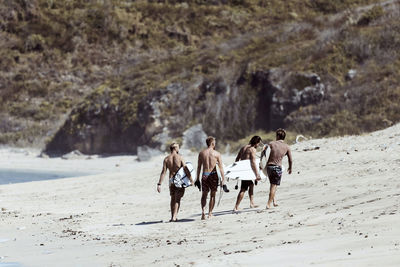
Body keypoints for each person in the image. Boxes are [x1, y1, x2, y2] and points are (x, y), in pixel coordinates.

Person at [157, 143, 193, 222]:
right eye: (178, 147)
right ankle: (174, 217)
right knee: (177, 199)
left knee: (172, 198)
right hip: (179, 180)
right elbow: (185, 169)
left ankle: (172, 216)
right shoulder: (180, 158)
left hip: (171, 180)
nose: (178, 149)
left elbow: (163, 172)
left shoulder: (166, 159)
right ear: (175, 148)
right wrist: (191, 179)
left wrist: (159, 184)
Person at [195, 136, 226, 220]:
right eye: (214, 143)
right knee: (212, 195)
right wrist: (223, 179)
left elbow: (198, 167)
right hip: (213, 175)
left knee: (204, 194)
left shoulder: (201, 153)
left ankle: (203, 212)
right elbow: (221, 168)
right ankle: (210, 213)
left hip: (205, 174)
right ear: (212, 143)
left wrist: (197, 179)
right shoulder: (217, 154)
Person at [264, 128, 293, 209]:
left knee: (273, 185)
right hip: (277, 168)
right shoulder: (287, 147)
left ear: (277, 136)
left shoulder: (271, 144)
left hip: (269, 167)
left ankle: (274, 201)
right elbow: (290, 159)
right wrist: (290, 168)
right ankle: (268, 204)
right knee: (274, 185)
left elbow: (264, 153)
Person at [233, 136, 262, 212]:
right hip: (247, 171)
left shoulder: (243, 148)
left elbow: (237, 159)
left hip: (243, 170)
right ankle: (236, 206)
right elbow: (253, 162)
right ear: (256, 142)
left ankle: (252, 203)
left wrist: (238, 169)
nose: (258, 145)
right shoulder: (252, 149)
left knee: (251, 185)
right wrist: (257, 174)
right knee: (243, 188)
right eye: (258, 143)